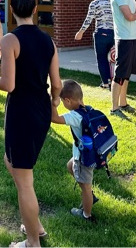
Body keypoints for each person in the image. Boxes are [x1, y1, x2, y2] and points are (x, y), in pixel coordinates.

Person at [0, 0, 61, 248]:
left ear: (11, 10)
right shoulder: (49, 40)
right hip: (41, 109)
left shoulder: (10, 40)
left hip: (22, 110)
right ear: (35, 9)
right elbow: (56, 83)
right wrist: (55, 101)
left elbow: (8, 84)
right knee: (12, 163)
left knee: (24, 180)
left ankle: (33, 241)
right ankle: (35, 224)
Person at [51, 79, 98, 223]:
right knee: (70, 166)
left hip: (84, 158)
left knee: (85, 186)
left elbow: (54, 118)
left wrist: (53, 103)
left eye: (63, 102)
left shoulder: (75, 116)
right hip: (90, 153)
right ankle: (90, 196)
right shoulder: (88, 109)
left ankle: (87, 215)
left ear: (68, 100)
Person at [74, 0, 114, 89]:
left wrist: (80, 32)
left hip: (101, 33)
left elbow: (89, 19)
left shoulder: (94, 4)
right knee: (111, 58)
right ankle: (113, 82)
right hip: (112, 33)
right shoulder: (109, 1)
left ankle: (105, 83)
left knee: (101, 58)